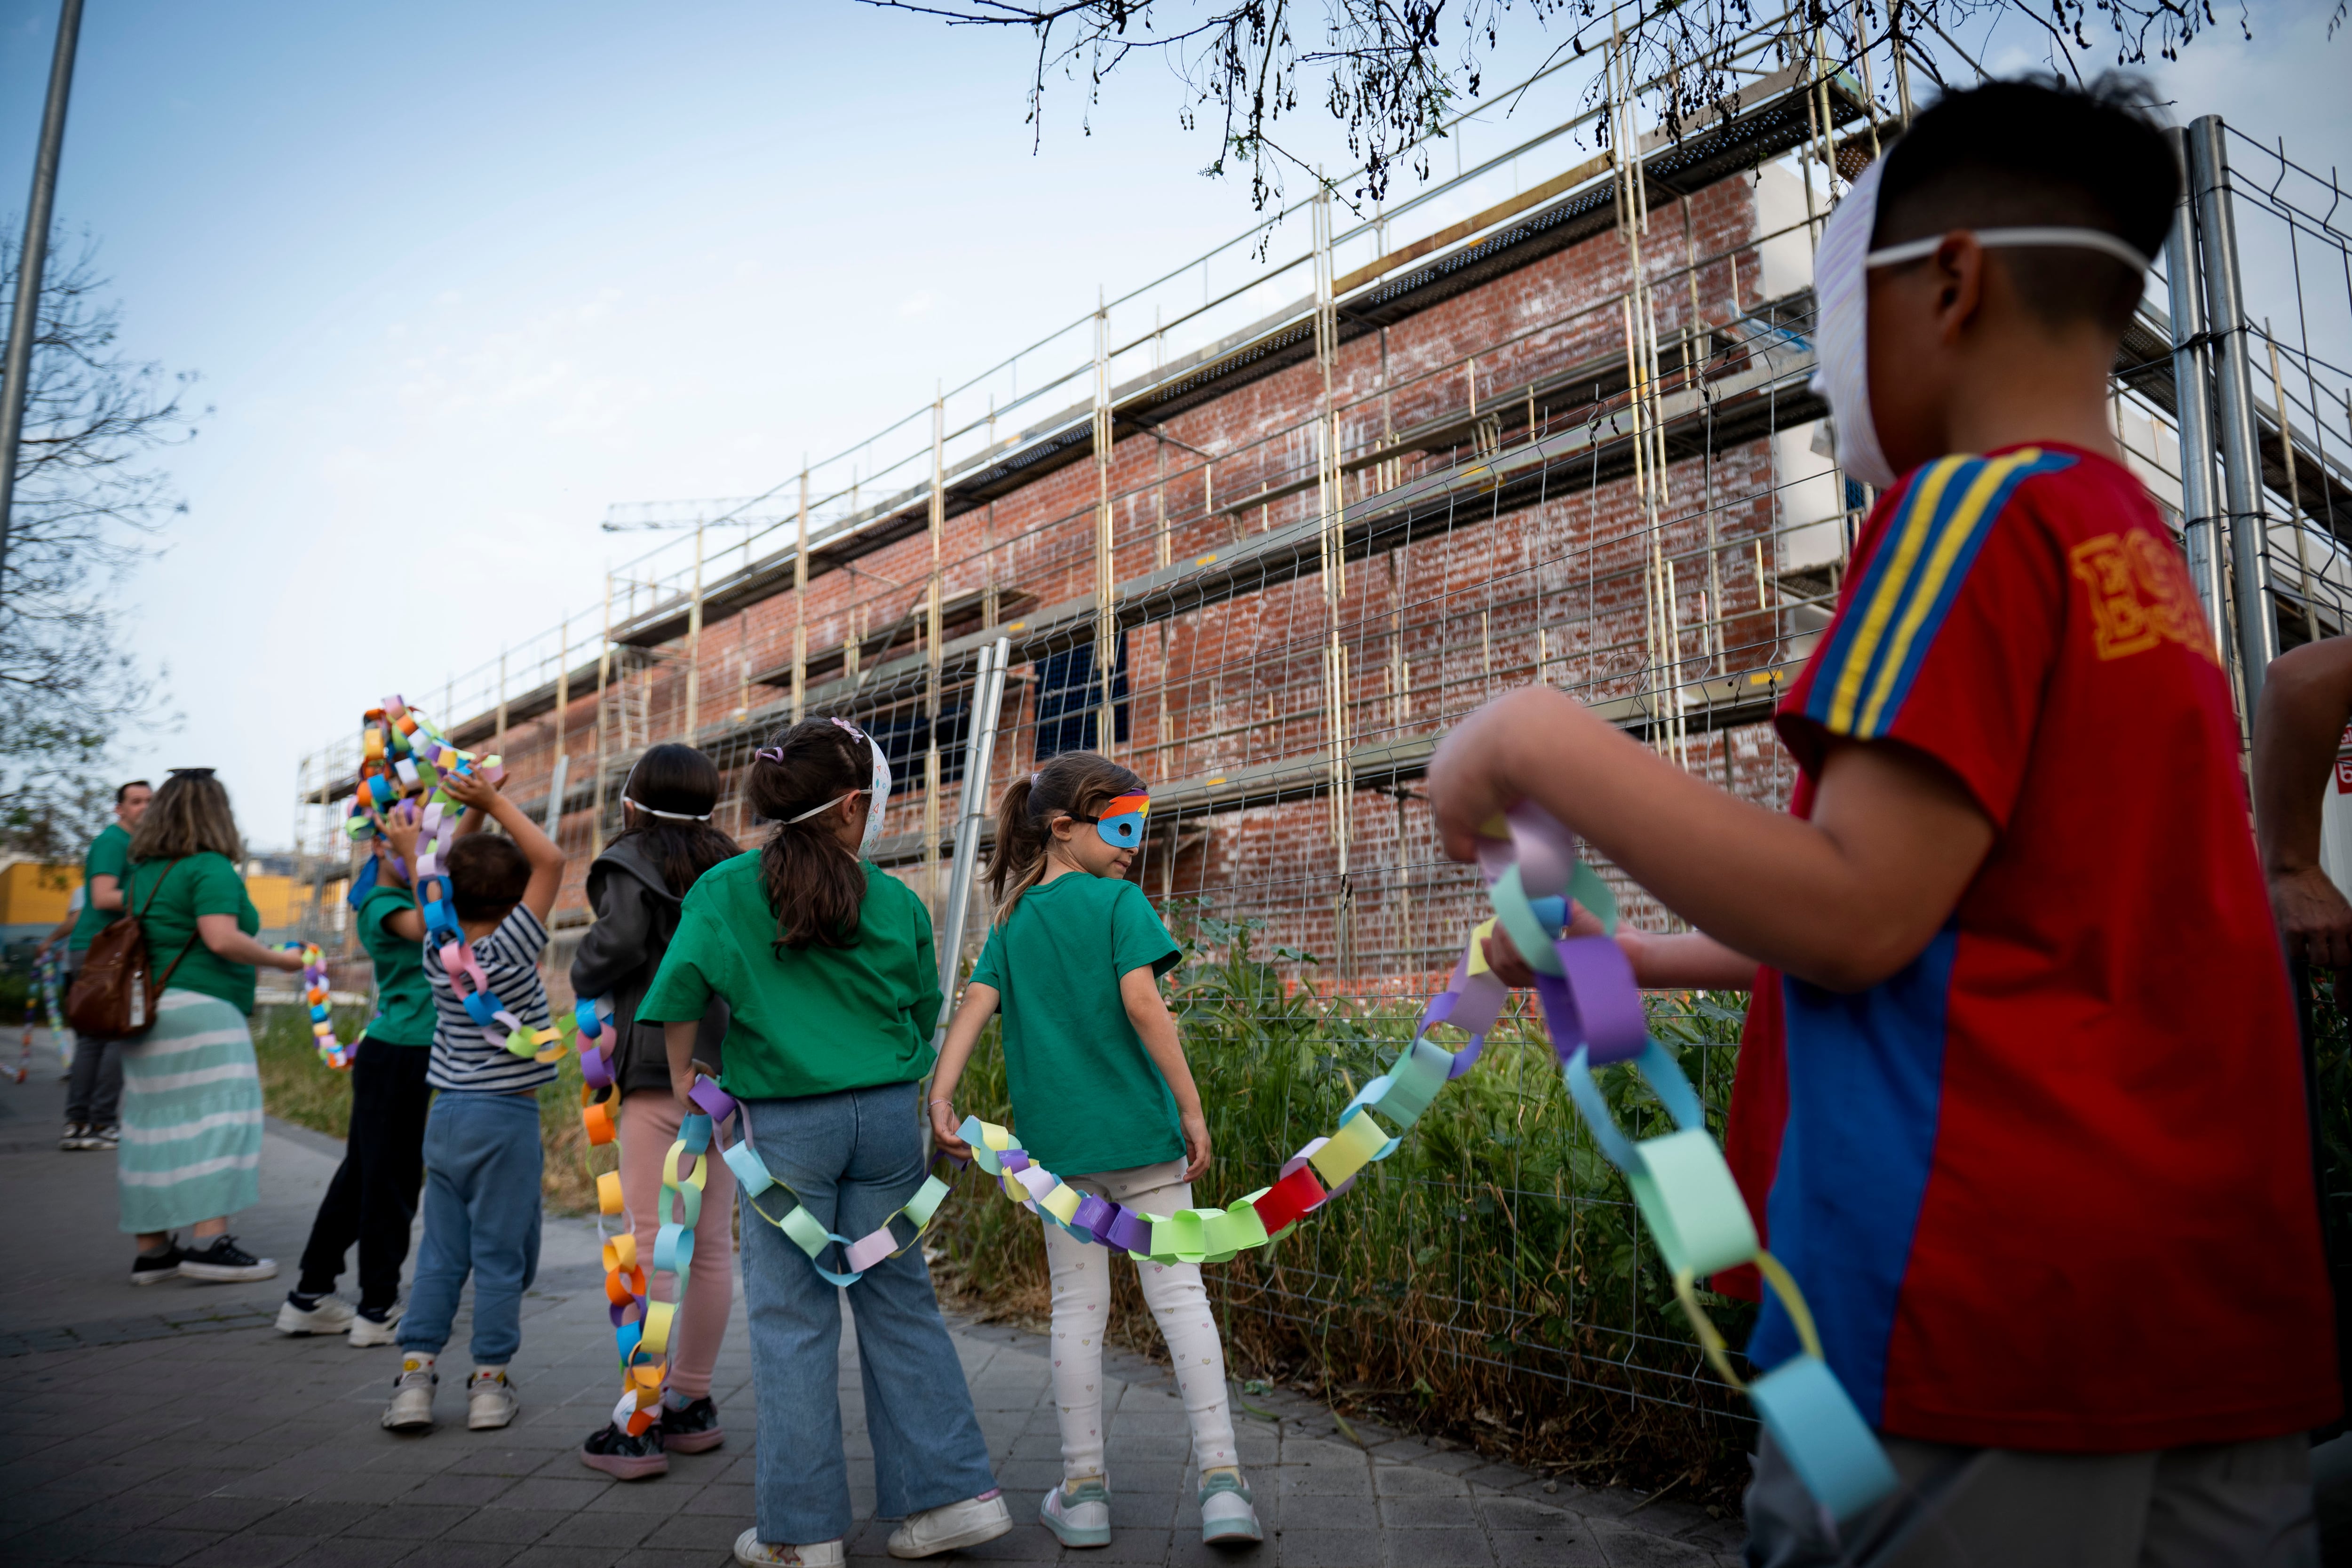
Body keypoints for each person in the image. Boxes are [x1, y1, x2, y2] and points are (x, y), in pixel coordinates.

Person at [1435, 75, 2336, 1566]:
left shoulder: (1955, 520)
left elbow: (1856, 909)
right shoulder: (2132, 558)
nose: (1816, 377)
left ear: (1952, 284)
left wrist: (1536, 738)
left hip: (1973, 1313)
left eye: (1830, 317)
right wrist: (1644, 962)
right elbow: (1997, 929)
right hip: (2192, 1320)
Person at [636, 717, 1009, 1568]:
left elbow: (677, 995)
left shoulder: (726, 890)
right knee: (899, 1297)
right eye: (878, 800)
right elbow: (921, 1013)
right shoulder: (899, 900)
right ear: (849, 808)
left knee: (791, 1317)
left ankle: (804, 1532)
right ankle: (951, 1496)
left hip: (786, 1128)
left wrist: (693, 1078)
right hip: (886, 1119)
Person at [929, 751, 1261, 1550]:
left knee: (1078, 1311)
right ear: (1063, 827)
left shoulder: (1011, 922)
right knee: (1181, 1299)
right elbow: (1144, 1003)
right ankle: (1223, 1486)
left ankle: (1082, 1494)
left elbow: (971, 1009)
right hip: (1142, 1139)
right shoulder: (1118, 904)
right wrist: (1191, 1105)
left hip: (1061, 1158)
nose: (1132, 847)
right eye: (1119, 829)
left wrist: (941, 1096)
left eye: (1138, 830)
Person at [569, 743, 741, 1480]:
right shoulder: (736, 868)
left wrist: (582, 969)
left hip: (650, 1072)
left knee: (648, 1241)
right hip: (726, 1077)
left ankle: (637, 1422)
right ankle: (690, 1403)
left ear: (633, 801)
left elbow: (616, 946)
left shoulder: (629, 862)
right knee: (709, 1246)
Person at [379, 768, 565, 1435]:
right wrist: (490, 802)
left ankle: (413, 1381)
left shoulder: (438, 946)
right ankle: (489, 1383)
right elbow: (552, 858)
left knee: (439, 1254)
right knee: (499, 1257)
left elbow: (438, 884)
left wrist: (418, 848)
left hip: (447, 1116)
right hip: (505, 1120)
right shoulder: (516, 946)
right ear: (519, 900)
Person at [118, 770, 303, 1286]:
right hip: (204, 1013)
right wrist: (282, 962)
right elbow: (221, 939)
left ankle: (153, 1251)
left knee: (152, 1126)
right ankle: (209, 1244)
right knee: (221, 1122)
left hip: (147, 1015)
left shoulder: (142, 875)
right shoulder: (211, 868)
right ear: (216, 814)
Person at [275, 796, 437, 1346]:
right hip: (398, 1056)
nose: (425, 848)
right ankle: (377, 1306)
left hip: (399, 1055)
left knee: (361, 1178)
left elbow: (442, 881)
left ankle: (311, 1295)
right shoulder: (379, 904)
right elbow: (431, 926)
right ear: (379, 844)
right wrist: (416, 855)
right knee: (390, 1184)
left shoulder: (410, 880)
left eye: (427, 836)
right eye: (408, 837)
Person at [45, 780, 152, 1152]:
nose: (144, 807)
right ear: (119, 809)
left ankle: (80, 1125)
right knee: (111, 1038)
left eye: (149, 801)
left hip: (102, 950)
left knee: (95, 1041)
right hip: (103, 952)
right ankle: (100, 1124)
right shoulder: (113, 842)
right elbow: (104, 896)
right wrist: (156, 896)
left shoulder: (134, 846)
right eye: (136, 801)